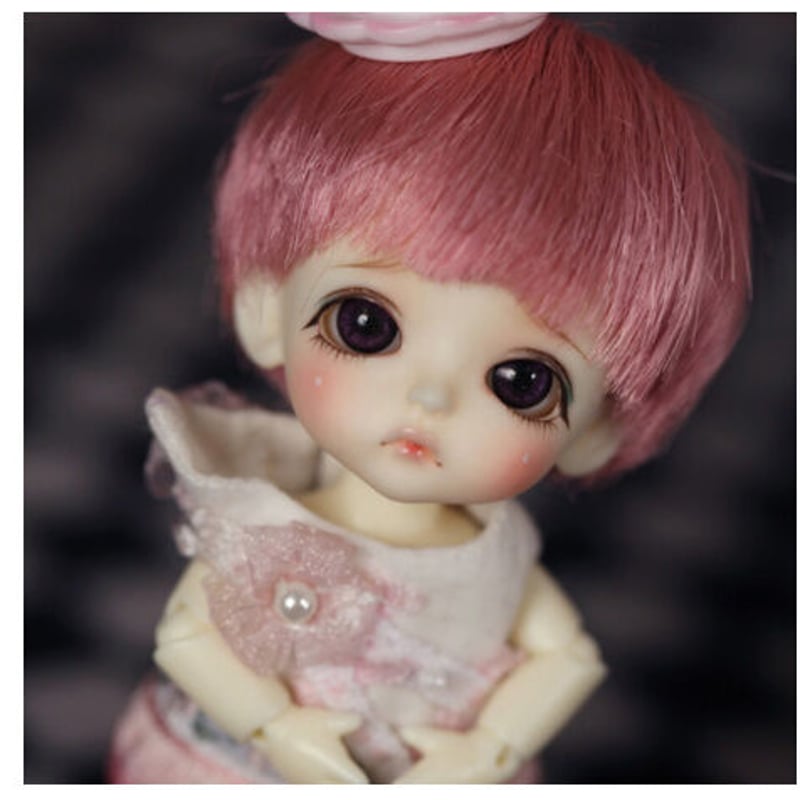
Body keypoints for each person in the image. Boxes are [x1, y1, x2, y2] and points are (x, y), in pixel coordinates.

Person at [109, 13, 750, 783]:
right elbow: (186, 636)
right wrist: (277, 728)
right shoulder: (266, 521)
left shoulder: (496, 565)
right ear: (266, 311)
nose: (429, 397)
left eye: (522, 382)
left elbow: (569, 659)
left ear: (595, 431)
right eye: (365, 326)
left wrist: (488, 749)